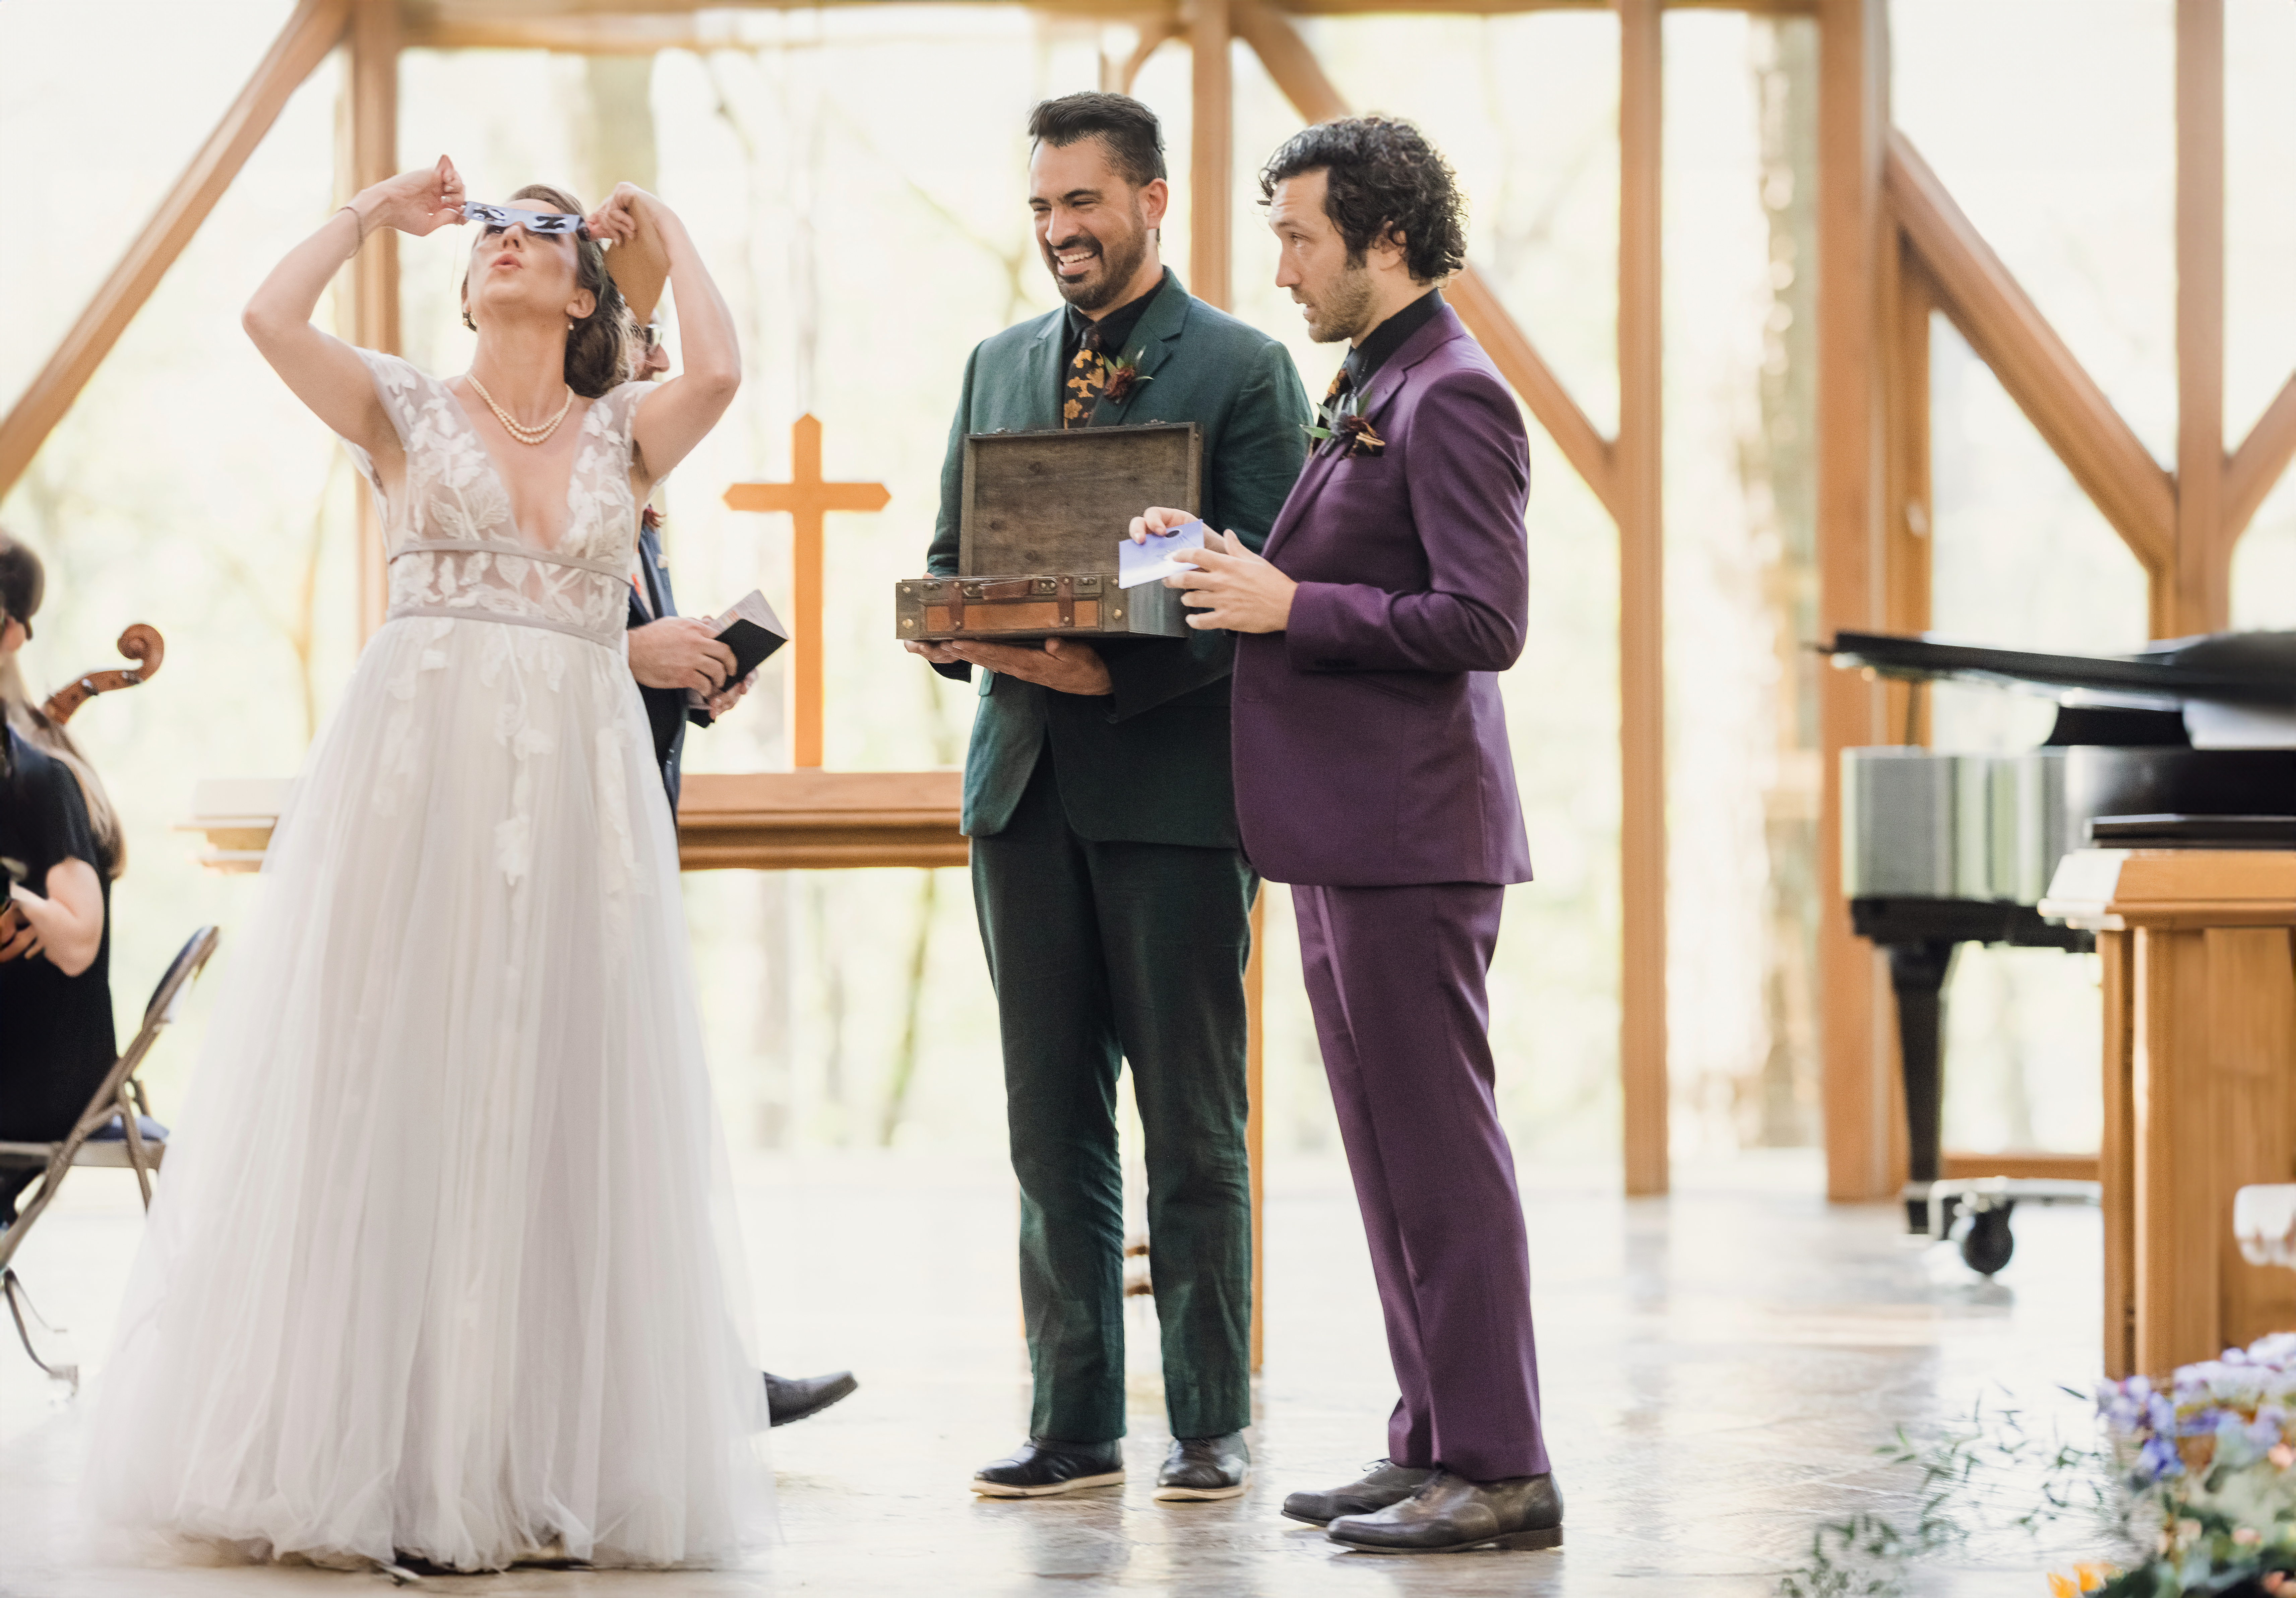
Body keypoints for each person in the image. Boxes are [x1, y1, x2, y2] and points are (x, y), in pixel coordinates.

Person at [82, 159, 771, 1572]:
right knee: (398, 1073)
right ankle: (382, 1457)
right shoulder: (402, 408)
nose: (509, 242)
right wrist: (370, 214)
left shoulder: (622, 434)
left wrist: (672, 229)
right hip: (416, 781)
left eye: (543, 233)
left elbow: (721, 368)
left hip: (574, 791)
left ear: (582, 294)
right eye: (492, 233)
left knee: (554, 1082)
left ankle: (522, 1457)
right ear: (465, 285)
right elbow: (269, 320)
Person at [1135, 116, 1560, 1553]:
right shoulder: (1374, 377)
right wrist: (1236, 566)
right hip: (1341, 832)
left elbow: (1485, 621)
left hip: (1413, 833)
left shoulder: (1456, 393)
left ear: (1385, 238)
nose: (1282, 268)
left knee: (1444, 1156)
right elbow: (1355, 567)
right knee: (1386, 1155)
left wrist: (1291, 606)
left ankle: (1502, 1465)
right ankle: (1429, 1438)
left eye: (1301, 238)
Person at [902, 92, 1311, 1501]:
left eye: (1082, 201)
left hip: (1174, 793)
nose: (1059, 229)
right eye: (1041, 207)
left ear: (1150, 201)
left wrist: (1111, 674)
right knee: (1047, 1124)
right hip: (1020, 790)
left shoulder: (1246, 368)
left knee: (1192, 1125)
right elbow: (952, 557)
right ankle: (1071, 1421)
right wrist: (967, 634)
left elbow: (1265, 584)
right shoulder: (994, 365)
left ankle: (1209, 1418)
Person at [615, 291, 860, 1430]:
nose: (661, 353)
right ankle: (695, 1379)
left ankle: (702, 1368)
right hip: (575, 842)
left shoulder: (637, 508)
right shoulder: (552, 477)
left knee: (651, 1124)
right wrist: (632, 653)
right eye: (642, 334)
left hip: (634, 832)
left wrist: (691, 673)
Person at [0, 532, 122, 1226]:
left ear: (11, 633)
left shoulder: (42, 776)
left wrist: (17, 899)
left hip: (42, 1074)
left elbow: (77, 942)